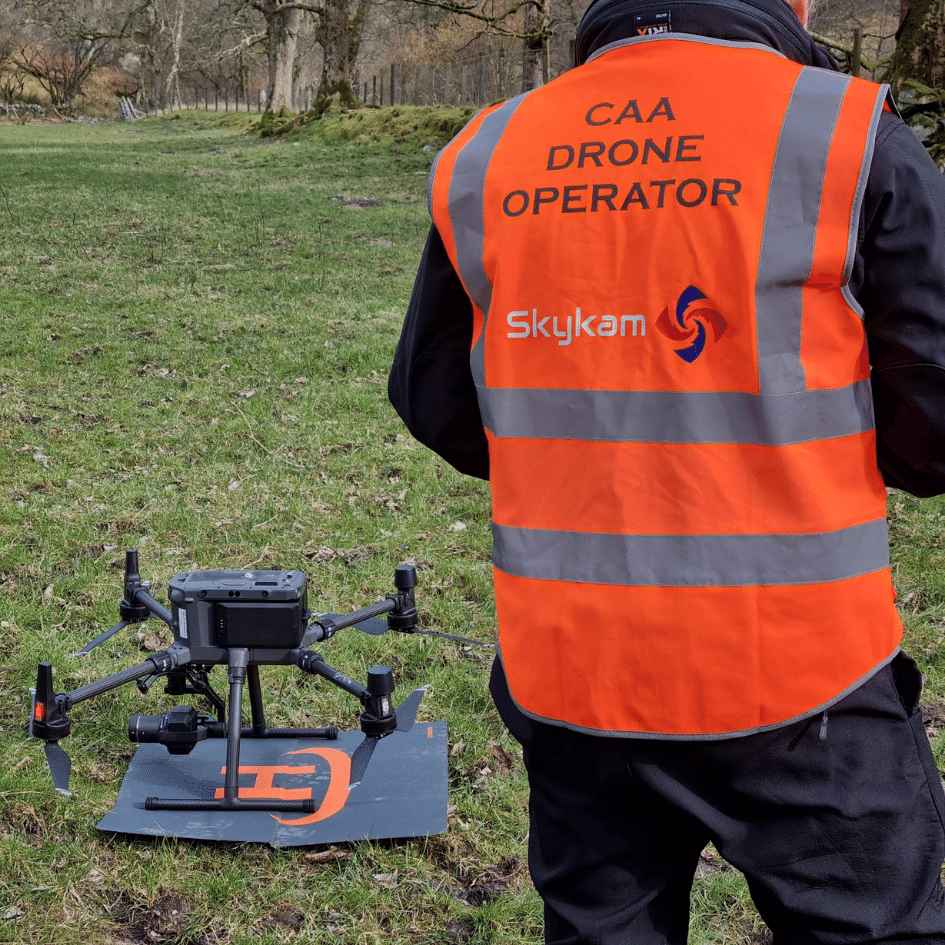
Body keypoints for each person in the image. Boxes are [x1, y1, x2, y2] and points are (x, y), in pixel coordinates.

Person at [388, 0, 945, 940]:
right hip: (803, 675)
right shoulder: (845, 132)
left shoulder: (490, 149)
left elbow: (434, 396)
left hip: (571, 669)